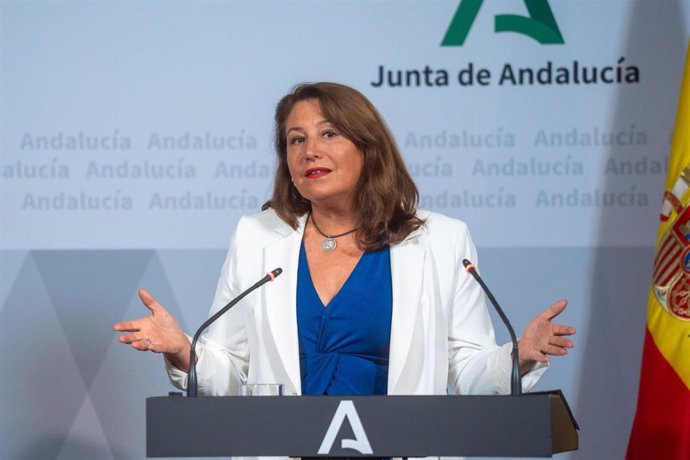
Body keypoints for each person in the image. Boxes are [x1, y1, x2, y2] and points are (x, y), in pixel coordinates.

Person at [113, 82, 575, 398]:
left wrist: (519, 357)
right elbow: (232, 372)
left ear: (368, 148)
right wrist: (183, 350)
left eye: (329, 134)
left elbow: (466, 370)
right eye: (295, 140)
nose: (309, 150)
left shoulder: (441, 241)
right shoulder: (257, 237)